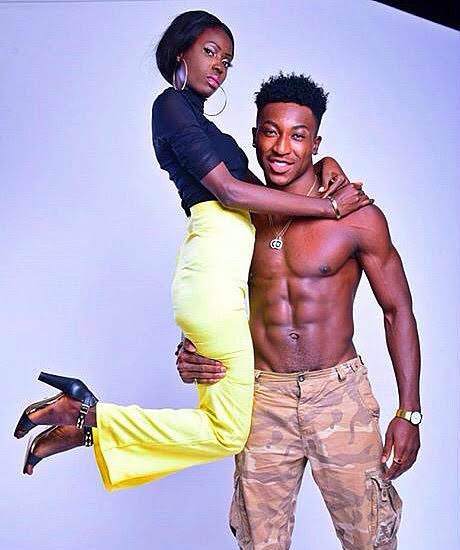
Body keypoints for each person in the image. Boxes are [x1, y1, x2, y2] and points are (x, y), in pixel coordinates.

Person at [14, 11, 369, 489]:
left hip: (218, 281)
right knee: (229, 433)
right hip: (213, 272)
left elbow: (267, 193)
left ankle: (88, 423)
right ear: (181, 50)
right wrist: (329, 208)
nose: (219, 65)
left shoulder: (204, 126)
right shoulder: (169, 106)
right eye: (210, 51)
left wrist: (324, 162)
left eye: (227, 60)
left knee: (225, 428)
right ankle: (87, 416)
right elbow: (231, 192)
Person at [176, 72, 421, 550]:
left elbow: (398, 311)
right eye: (270, 132)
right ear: (254, 136)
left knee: (370, 545)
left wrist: (409, 411)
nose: (282, 147)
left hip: (339, 396)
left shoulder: (356, 214)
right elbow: (208, 300)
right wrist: (191, 350)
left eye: (298, 136)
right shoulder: (236, 216)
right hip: (261, 397)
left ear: (316, 142)